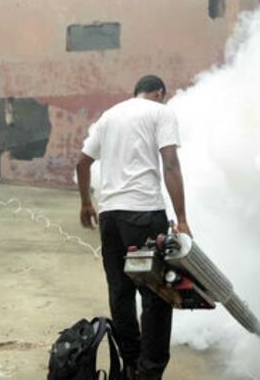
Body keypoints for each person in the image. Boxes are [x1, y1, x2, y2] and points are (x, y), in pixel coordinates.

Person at [75, 74, 190, 380]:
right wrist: (182, 219)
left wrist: (87, 203)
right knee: (157, 292)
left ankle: (131, 365)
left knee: (121, 291)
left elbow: (82, 163)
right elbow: (170, 164)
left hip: (111, 217)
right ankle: (149, 373)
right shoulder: (161, 112)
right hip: (143, 213)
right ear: (159, 93)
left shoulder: (109, 116)